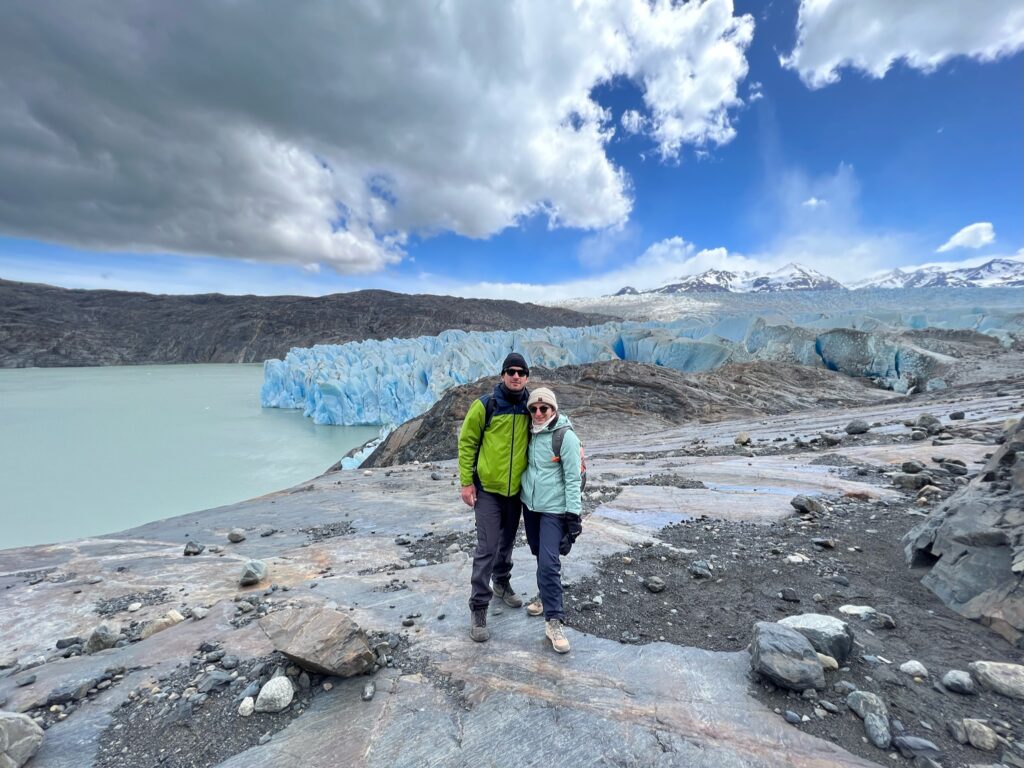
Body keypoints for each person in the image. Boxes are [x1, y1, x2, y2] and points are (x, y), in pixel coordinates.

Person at [458, 352, 531, 643]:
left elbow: (554, 424)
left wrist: (576, 451)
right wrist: (466, 482)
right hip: (488, 490)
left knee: (508, 542)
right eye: (510, 371)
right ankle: (478, 607)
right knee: (487, 547)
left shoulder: (531, 406)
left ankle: (501, 582)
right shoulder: (485, 406)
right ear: (502, 375)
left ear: (527, 377)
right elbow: (467, 442)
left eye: (521, 372)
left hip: (515, 492)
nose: (515, 376)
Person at [519, 387, 583, 654]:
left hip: (554, 510)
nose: (538, 413)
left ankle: (554, 621)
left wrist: (573, 517)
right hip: (531, 507)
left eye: (544, 408)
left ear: (553, 409)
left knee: (548, 562)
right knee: (539, 554)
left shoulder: (564, 436)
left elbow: (572, 478)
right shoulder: (529, 434)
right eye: (533, 408)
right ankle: (545, 597)